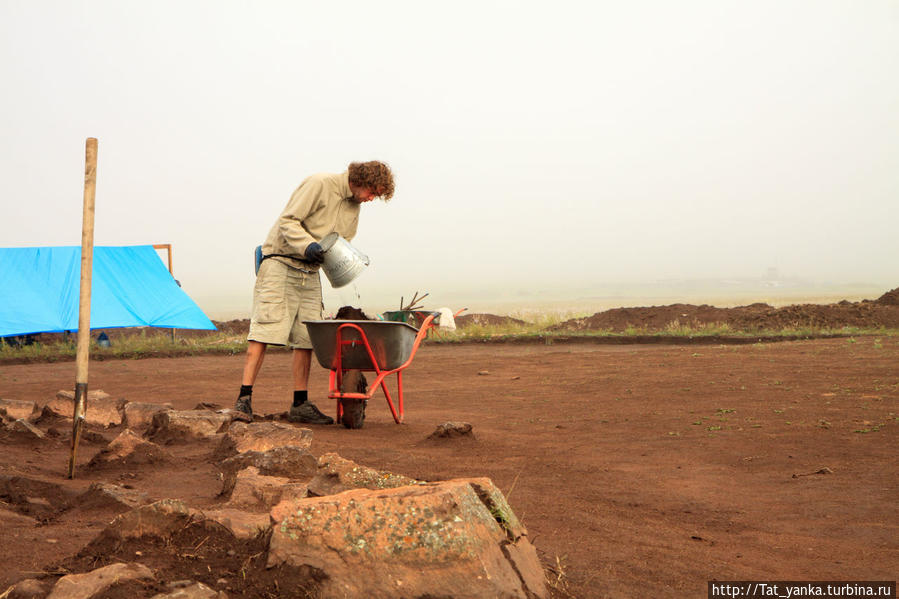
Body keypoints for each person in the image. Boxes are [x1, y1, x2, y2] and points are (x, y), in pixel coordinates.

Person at [234, 161, 395, 424]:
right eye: (372, 192)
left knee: (306, 336)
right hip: (281, 261)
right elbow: (288, 221)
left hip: (310, 270)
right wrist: (307, 245)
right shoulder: (320, 183)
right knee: (265, 329)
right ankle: (244, 400)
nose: (371, 198)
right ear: (361, 180)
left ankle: (300, 404)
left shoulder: (354, 206)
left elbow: (341, 243)